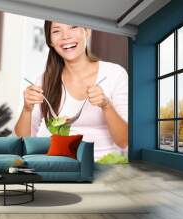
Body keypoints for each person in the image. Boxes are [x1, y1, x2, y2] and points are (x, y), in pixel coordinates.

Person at [14, 21, 128, 160]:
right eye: (56, 31)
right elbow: (24, 142)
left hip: (106, 167)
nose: (65, 36)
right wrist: (27, 109)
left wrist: (106, 105)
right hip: (61, 168)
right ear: (50, 40)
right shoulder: (44, 81)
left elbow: (124, 141)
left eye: (73, 27)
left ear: (87, 31)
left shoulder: (114, 74)